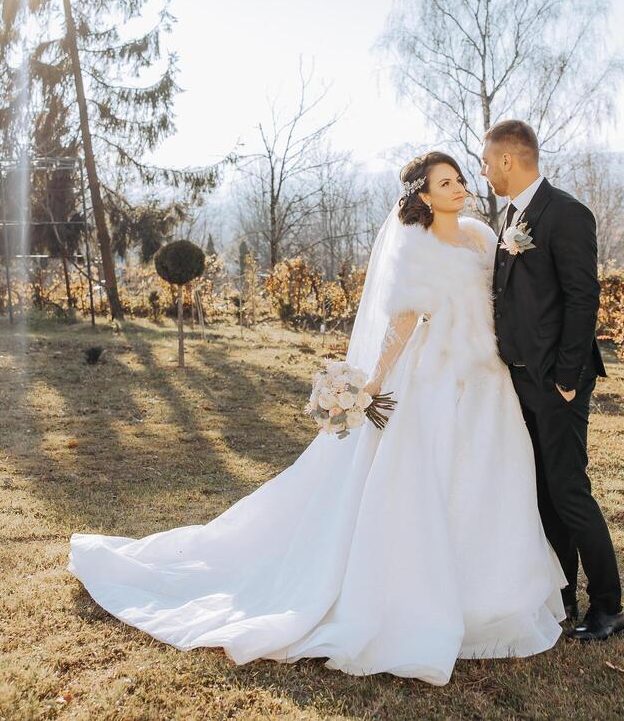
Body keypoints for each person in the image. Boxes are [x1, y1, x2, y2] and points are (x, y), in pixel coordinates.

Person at [67, 151, 568, 685]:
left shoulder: (481, 237)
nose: (459, 189)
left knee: (489, 481)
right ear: (423, 195)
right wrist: (373, 381)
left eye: (460, 180)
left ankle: (494, 598)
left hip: (486, 379)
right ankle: (425, 599)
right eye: (446, 183)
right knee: (429, 481)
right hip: (435, 378)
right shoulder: (415, 246)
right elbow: (402, 319)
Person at [482, 119, 624, 641]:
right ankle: (562, 594)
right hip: (523, 378)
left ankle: (608, 606)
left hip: (557, 380)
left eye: (485, 160)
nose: (483, 170)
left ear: (507, 160)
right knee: (542, 492)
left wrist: (567, 377)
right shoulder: (514, 215)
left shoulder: (565, 213)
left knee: (568, 490)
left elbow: (583, 297)